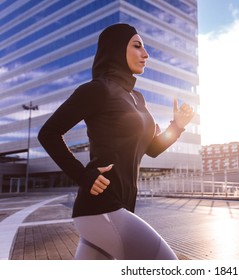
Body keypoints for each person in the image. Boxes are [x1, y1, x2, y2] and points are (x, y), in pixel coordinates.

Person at [38, 23, 194, 260]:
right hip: (102, 207)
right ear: (117, 49)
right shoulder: (98, 90)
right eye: (137, 45)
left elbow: (151, 149)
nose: (146, 54)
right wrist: (83, 176)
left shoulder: (137, 98)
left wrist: (177, 126)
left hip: (120, 207)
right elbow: (48, 133)